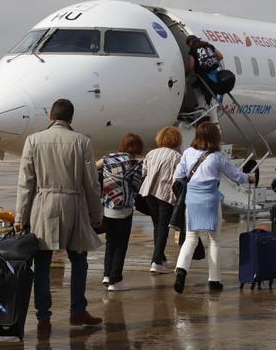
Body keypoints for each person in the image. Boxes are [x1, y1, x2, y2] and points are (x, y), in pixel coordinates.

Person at [14, 99, 104, 336]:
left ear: (50, 117)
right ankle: (77, 310)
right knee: (79, 260)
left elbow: (26, 183)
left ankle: (43, 317)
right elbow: (91, 183)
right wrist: (96, 214)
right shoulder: (82, 141)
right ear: (71, 119)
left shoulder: (33, 140)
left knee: (42, 264)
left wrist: (20, 216)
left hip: (43, 206)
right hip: (73, 204)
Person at [173, 122, 254, 293]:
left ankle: (181, 271)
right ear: (215, 137)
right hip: (210, 199)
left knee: (191, 238)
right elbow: (236, 176)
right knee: (214, 240)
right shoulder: (217, 157)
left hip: (192, 199)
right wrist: (249, 178)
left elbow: (178, 175)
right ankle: (214, 280)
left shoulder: (188, 153)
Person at [97, 133, 144, 291]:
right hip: (124, 209)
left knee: (110, 242)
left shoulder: (108, 159)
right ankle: (115, 279)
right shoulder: (135, 164)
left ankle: (106, 274)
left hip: (108, 206)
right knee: (121, 244)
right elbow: (137, 186)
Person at [139, 126, 183, 274]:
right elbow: (179, 177)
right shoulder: (177, 156)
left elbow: (143, 172)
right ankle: (156, 261)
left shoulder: (151, 153)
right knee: (163, 226)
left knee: (157, 225)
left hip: (149, 192)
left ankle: (161, 257)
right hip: (165, 194)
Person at [185, 35, 224, 106]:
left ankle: (202, 106)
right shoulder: (208, 45)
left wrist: (186, 76)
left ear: (190, 42)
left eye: (188, 44)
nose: (189, 46)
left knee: (195, 86)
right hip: (215, 75)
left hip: (204, 76)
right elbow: (220, 56)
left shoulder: (193, 49)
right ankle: (209, 106)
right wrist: (212, 62)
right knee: (212, 94)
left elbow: (190, 67)